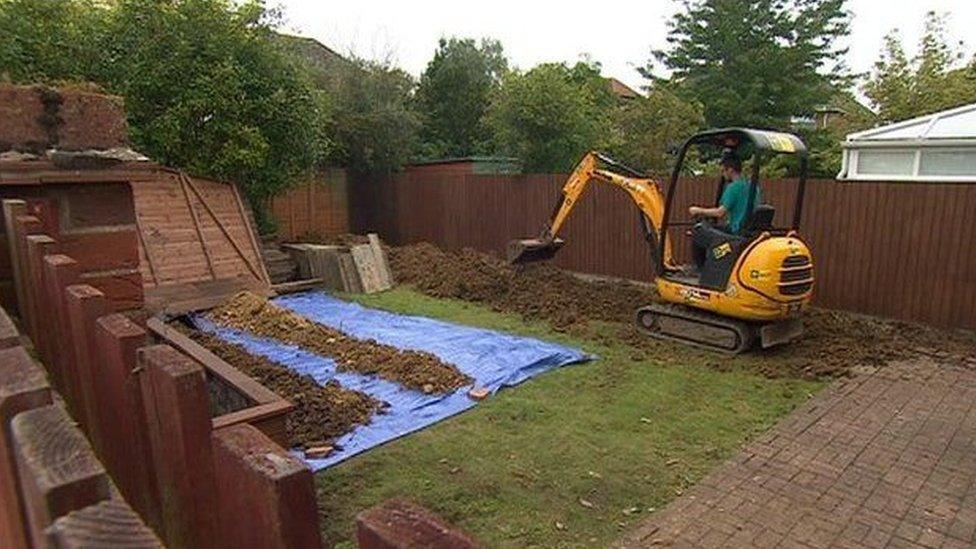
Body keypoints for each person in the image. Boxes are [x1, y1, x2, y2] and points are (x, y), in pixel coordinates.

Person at [687, 152, 761, 270]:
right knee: (715, 230)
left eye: (723, 171)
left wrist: (698, 210)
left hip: (736, 232)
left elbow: (720, 212)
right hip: (748, 230)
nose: (723, 174)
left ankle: (700, 270)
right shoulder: (753, 187)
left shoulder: (733, 188)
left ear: (730, 170)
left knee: (698, 231)